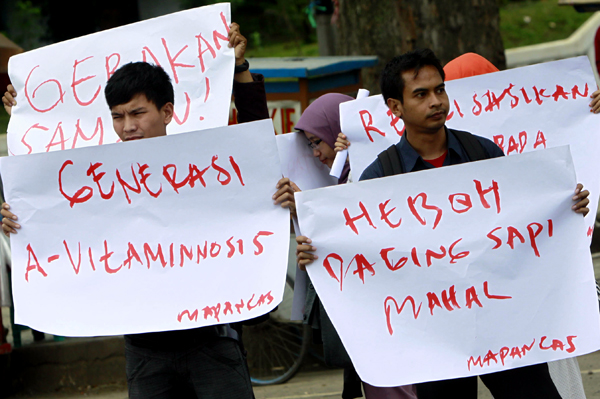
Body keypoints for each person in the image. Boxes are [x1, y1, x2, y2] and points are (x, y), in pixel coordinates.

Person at [296, 48, 591, 399]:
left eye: (439, 90)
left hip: (506, 323)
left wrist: (564, 207)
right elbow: (362, 252)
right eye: (420, 94)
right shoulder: (380, 177)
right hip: (434, 337)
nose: (435, 101)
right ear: (395, 107)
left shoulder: (484, 154)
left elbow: (525, 219)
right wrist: (320, 252)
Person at [2, 23, 268, 399]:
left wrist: (241, 72)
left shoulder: (207, 167)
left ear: (168, 111)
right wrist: (18, 216)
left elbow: (257, 150)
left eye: (138, 113)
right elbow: (48, 203)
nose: (128, 127)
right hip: (145, 351)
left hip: (213, 343)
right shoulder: (99, 182)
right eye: (118, 116)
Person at [273, 93, 418, 399]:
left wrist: (309, 210)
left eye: (317, 141)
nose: (315, 153)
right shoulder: (343, 180)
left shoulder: (378, 172)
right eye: (310, 145)